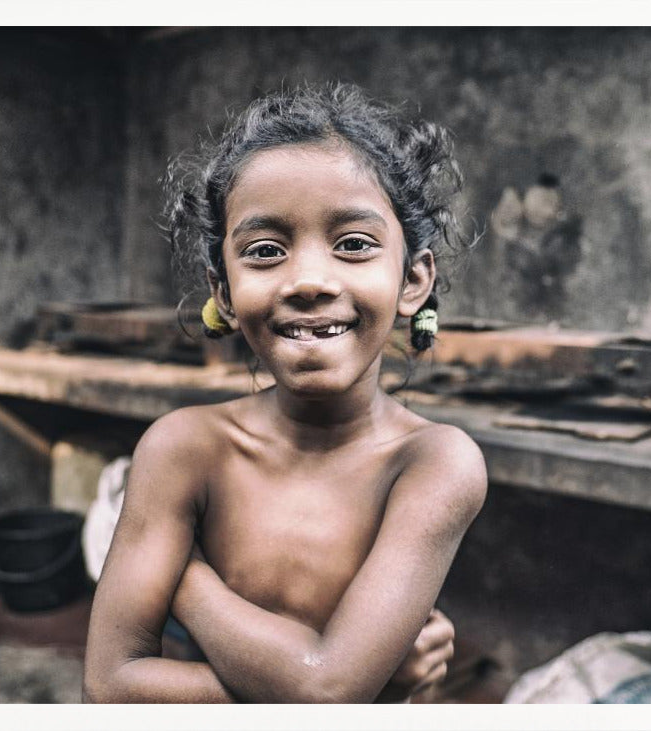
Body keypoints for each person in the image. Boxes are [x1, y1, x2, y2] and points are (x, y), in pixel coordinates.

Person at [82, 83, 487, 703]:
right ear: (224, 291)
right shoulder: (184, 448)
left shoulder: (435, 463)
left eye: (354, 244)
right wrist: (371, 688)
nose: (308, 281)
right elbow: (110, 690)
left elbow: (324, 692)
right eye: (265, 251)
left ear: (413, 280)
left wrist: (185, 579)